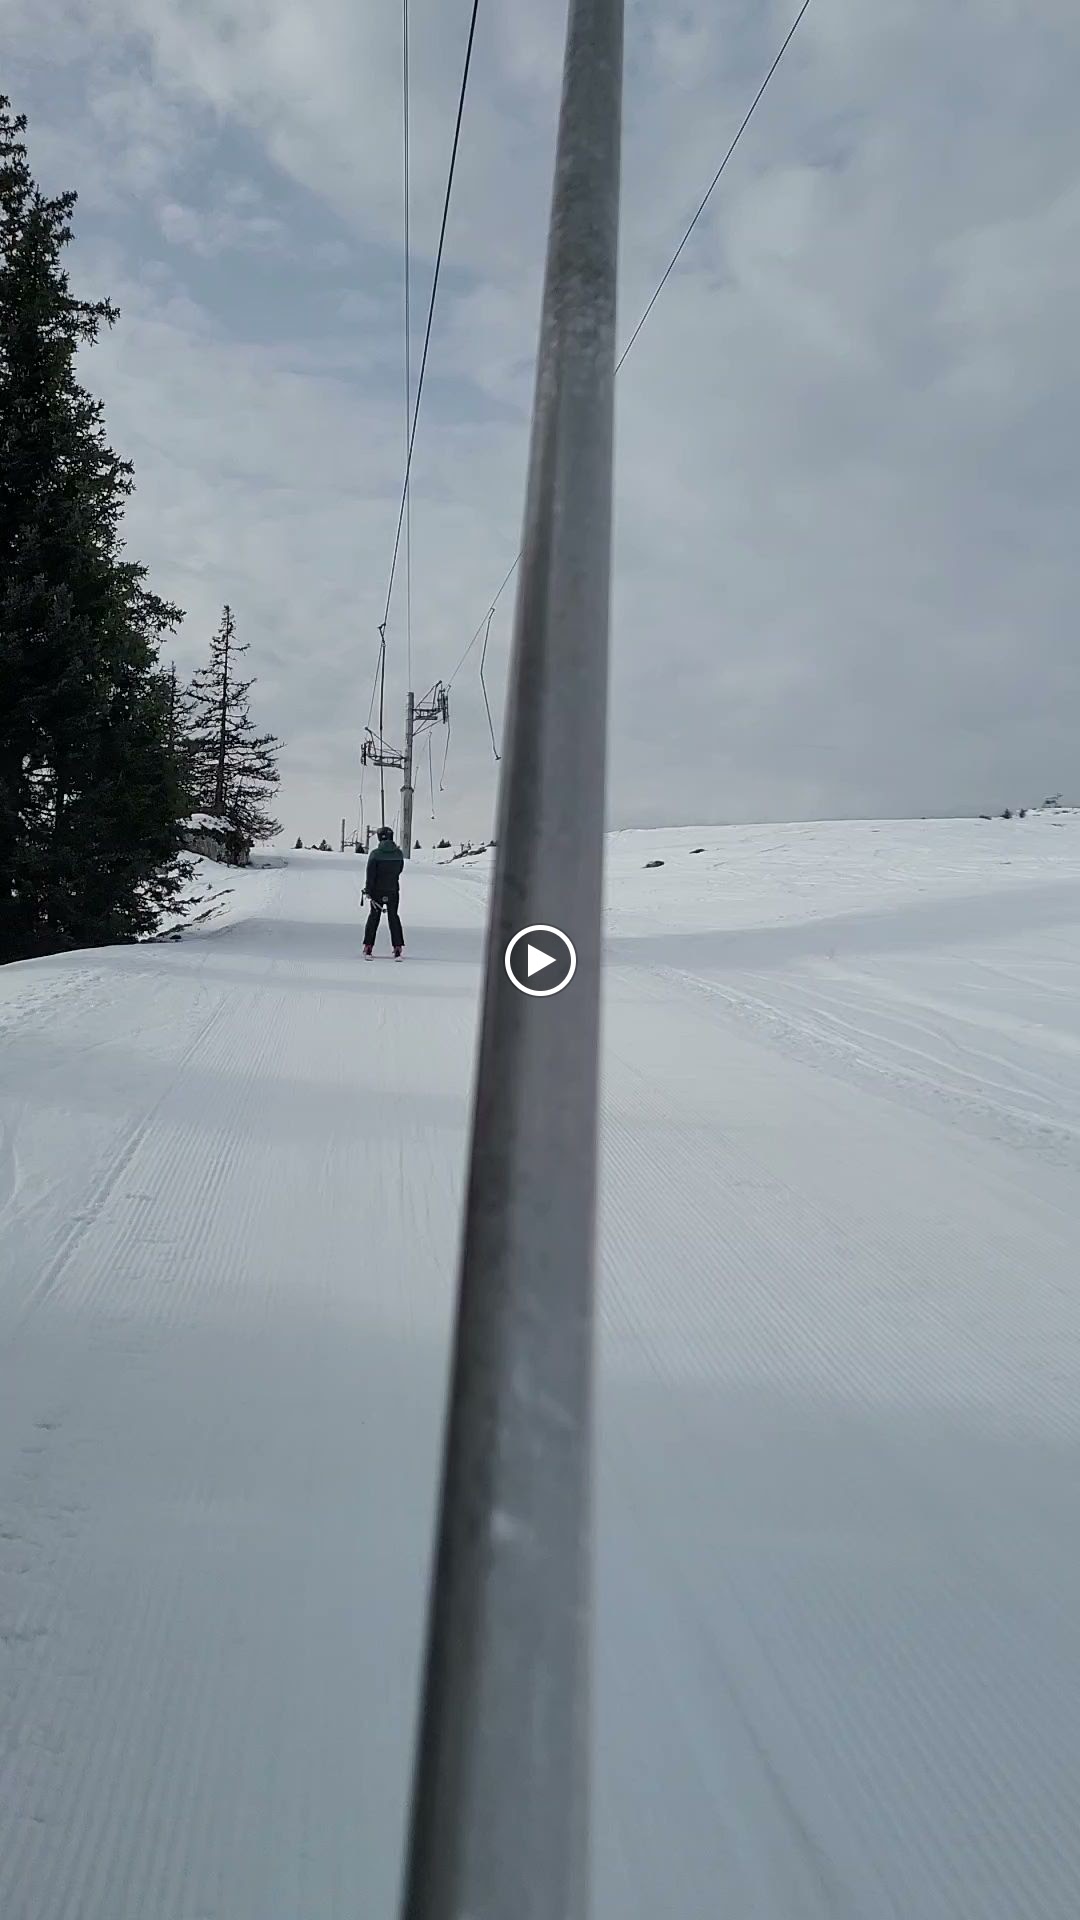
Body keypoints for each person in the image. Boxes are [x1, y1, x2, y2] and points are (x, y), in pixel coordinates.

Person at [363, 825, 405, 958]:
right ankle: (397, 947)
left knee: (374, 917)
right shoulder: (398, 854)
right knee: (393, 917)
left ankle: (368, 946)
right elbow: (399, 870)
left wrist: (368, 890)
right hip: (393, 890)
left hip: (377, 891)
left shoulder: (375, 854)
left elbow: (370, 874)